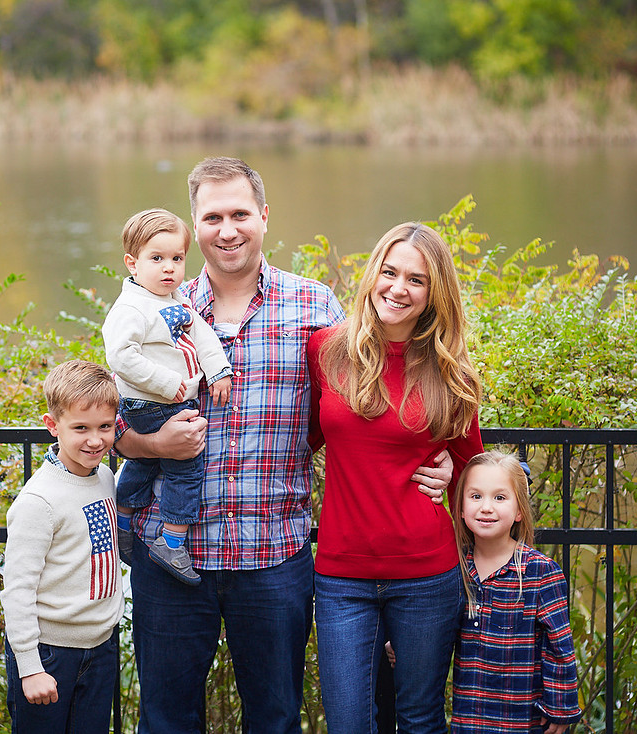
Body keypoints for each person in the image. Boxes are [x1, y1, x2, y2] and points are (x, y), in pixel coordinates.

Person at [114, 157, 456, 733]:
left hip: (273, 557)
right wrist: (152, 447)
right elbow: (105, 424)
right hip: (171, 553)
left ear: (265, 217)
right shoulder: (149, 308)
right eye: (213, 216)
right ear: (194, 225)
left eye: (240, 214)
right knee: (166, 720)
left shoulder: (314, 307)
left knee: (276, 719)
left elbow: (369, 405)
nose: (228, 230)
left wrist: (433, 457)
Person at [307, 221, 485, 733]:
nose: (398, 288)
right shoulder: (326, 351)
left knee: (420, 720)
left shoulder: (452, 373)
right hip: (341, 575)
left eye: (416, 280)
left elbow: (472, 470)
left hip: (427, 575)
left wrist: (453, 469)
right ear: (373, 275)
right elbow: (305, 439)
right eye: (389, 272)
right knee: (348, 722)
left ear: (434, 295)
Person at [103, 208, 232, 585]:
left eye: (176, 258)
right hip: (151, 401)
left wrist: (218, 370)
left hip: (165, 399)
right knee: (187, 464)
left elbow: (203, 335)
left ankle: (123, 517)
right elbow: (120, 356)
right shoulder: (131, 307)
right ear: (132, 263)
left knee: (146, 463)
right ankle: (171, 541)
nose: (169, 268)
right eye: (156, 259)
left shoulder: (173, 298)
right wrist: (166, 382)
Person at [0, 359, 124, 734]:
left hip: (101, 645)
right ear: (53, 426)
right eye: (80, 428)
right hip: (49, 653)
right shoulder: (39, 500)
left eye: (105, 427)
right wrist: (30, 666)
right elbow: (18, 589)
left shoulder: (104, 476)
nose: (95, 440)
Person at [450, 451, 581, 733]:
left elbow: (559, 647)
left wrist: (560, 708)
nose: (486, 507)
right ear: (460, 507)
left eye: (499, 497)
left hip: (522, 720)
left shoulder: (540, 572)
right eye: (476, 497)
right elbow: (430, 624)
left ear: (519, 510)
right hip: (468, 719)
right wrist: (405, 644)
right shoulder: (454, 568)